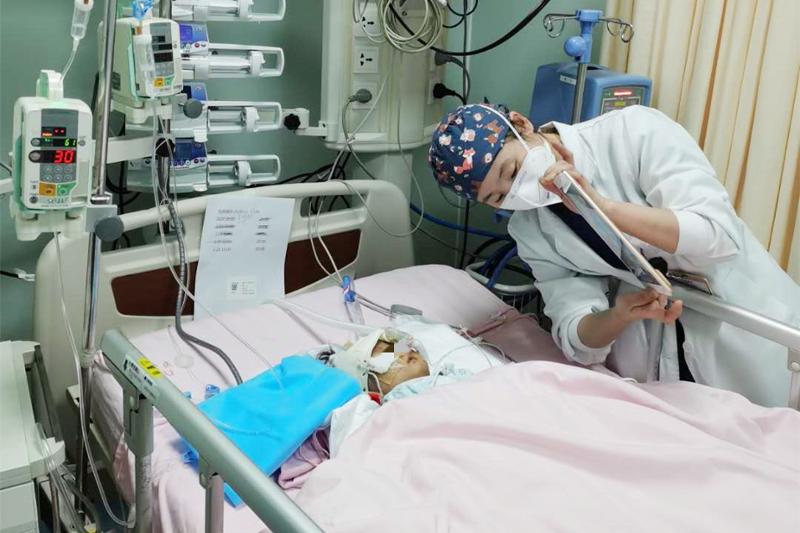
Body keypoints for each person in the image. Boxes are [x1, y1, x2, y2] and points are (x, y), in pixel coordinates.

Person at [427, 103, 800, 407]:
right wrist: (618, 316)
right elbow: (575, 335)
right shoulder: (530, 229)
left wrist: (600, 207)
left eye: (511, 171)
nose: (516, 191)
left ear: (522, 125)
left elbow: (715, 234)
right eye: (498, 197)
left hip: (748, 318)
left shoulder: (632, 134)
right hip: (662, 348)